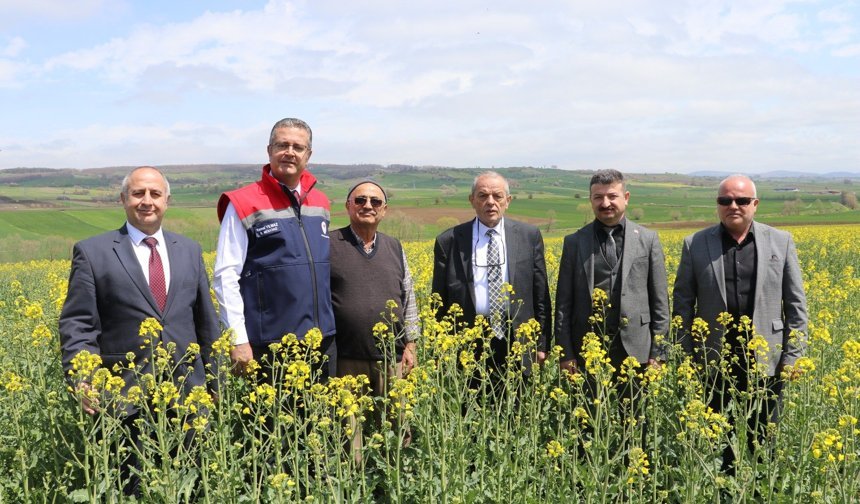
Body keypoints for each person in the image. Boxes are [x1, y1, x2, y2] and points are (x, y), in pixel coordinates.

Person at [59, 166, 220, 495]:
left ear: (167, 201)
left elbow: (205, 320)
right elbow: (78, 322)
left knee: (190, 489)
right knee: (129, 489)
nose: (147, 201)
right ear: (123, 199)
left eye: (155, 194)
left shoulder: (188, 250)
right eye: (138, 193)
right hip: (123, 396)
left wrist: (215, 381)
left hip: (187, 393)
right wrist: (83, 377)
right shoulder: (93, 252)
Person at [673, 174, 808, 473]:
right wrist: (687, 357)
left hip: (767, 362)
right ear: (717, 205)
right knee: (718, 448)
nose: (733, 206)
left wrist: (793, 356)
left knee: (763, 446)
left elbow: (796, 305)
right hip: (713, 363)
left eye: (742, 200)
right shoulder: (695, 244)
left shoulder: (781, 241)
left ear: (755, 204)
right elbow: (682, 304)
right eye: (725, 200)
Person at [213, 118, 335, 380]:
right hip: (270, 343)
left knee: (322, 419)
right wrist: (237, 339)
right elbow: (226, 275)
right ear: (269, 150)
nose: (289, 152)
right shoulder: (243, 202)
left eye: (298, 147)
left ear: (308, 155)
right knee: (274, 421)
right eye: (282, 145)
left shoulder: (321, 202)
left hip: (322, 340)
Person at [432, 171, 551, 387]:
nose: (490, 202)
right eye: (482, 196)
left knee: (518, 411)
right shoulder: (448, 241)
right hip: (468, 342)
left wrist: (541, 344)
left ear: (508, 201)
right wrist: (440, 346)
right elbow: (438, 298)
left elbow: (540, 294)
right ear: (472, 200)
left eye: (497, 196)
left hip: (518, 340)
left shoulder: (529, 236)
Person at [330, 180, 419, 451]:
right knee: (349, 437)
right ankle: (352, 487)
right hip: (345, 358)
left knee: (397, 430)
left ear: (384, 210)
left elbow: (409, 297)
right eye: (360, 200)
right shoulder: (330, 245)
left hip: (391, 358)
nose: (367, 206)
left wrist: (412, 343)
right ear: (348, 206)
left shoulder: (394, 247)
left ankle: (394, 485)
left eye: (375, 201)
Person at [554, 169, 670, 374]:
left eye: (612, 196)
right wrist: (566, 353)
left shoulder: (648, 239)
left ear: (626, 198)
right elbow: (563, 304)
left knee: (635, 407)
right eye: (598, 197)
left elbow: (660, 302)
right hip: (587, 352)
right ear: (591, 200)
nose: (605, 203)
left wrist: (658, 353)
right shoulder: (574, 242)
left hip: (638, 351)